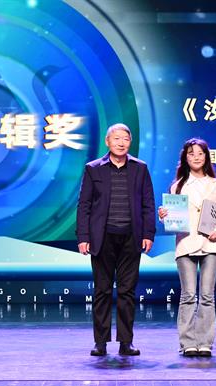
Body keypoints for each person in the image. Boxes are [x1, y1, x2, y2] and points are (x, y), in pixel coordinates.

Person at [76, 123, 156, 356]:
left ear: (130, 142)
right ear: (107, 141)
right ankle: (100, 342)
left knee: (127, 291)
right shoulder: (93, 169)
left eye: (125, 139)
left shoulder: (140, 168)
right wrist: (83, 237)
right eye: (116, 138)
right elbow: (84, 205)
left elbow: (148, 204)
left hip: (131, 237)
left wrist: (148, 234)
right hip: (102, 238)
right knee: (102, 290)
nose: (121, 143)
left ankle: (125, 342)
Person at [158, 137, 216, 357]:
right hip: (186, 243)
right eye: (191, 153)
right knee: (189, 294)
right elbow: (173, 218)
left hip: (211, 243)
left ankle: (205, 342)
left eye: (200, 153)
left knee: (207, 295)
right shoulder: (178, 186)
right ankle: (188, 342)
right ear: (185, 157)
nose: (196, 157)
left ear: (207, 157)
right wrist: (164, 215)